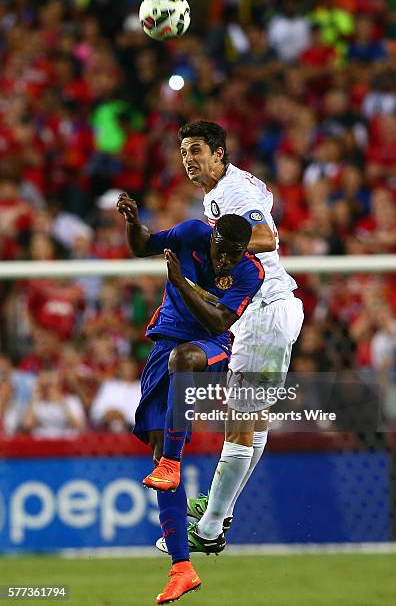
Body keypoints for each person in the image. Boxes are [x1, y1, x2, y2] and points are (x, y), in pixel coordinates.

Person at [116, 192, 264, 605]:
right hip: (163, 345)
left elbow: (217, 319)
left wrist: (181, 281)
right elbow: (143, 245)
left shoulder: (250, 272)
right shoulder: (191, 233)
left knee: (185, 360)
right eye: (223, 250)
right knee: (158, 442)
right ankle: (182, 568)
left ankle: (173, 464)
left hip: (210, 347)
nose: (226, 260)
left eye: (236, 253)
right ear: (213, 236)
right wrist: (132, 221)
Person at [177, 120, 304, 551]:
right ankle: (218, 505)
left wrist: (216, 248)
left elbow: (268, 236)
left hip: (265, 311)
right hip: (268, 311)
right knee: (254, 419)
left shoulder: (234, 192)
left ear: (218, 153)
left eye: (196, 150)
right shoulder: (231, 187)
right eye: (183, 152)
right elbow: (265, 198)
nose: (188, 160)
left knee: (239, 421)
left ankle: (210, 529)